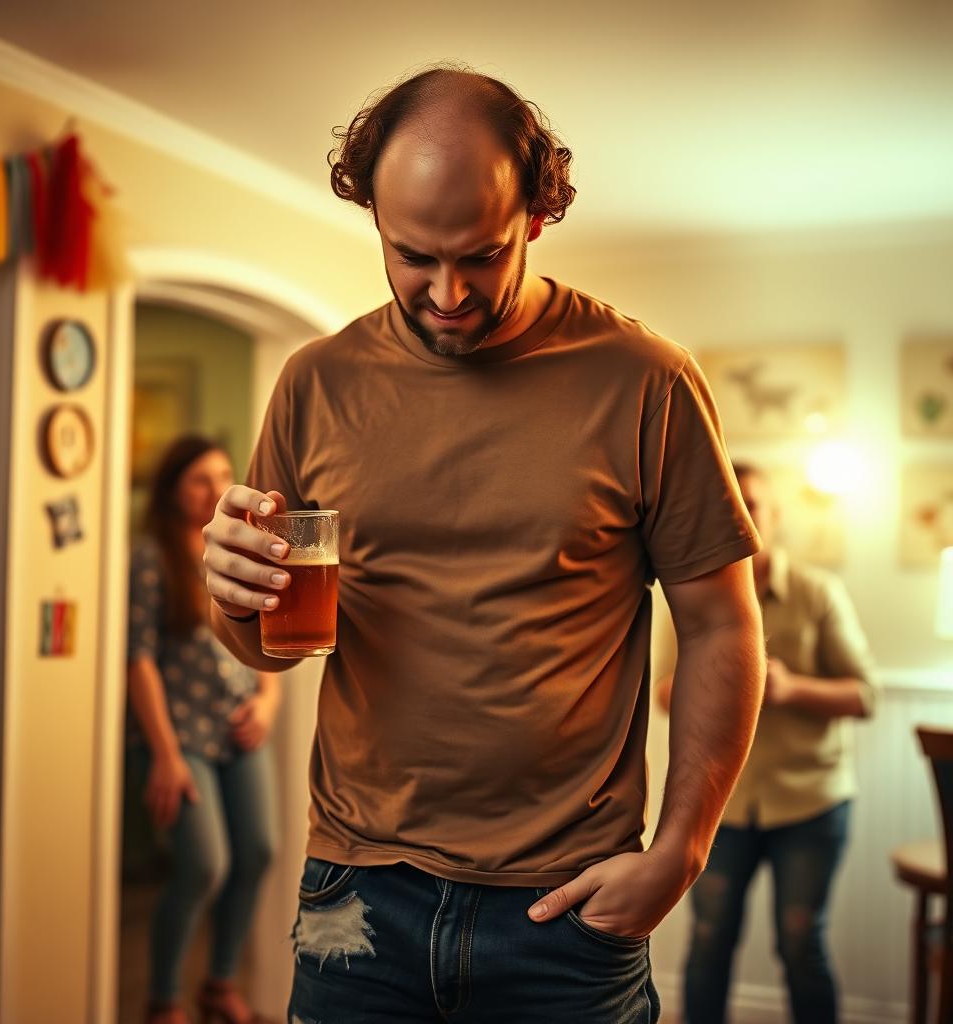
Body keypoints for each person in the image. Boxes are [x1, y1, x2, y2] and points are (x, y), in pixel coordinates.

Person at [203, 66, 767, 1023]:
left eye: (481, 255)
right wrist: (228, 592)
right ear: (372, 216)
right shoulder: (313, 383)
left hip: (563, 909)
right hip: (355, 896)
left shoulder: (646, 381)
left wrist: (683, 848)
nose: (449, 292)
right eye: (413, 256)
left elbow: (720, 628)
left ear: (538, 215)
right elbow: (273, 646)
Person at [654, 462, 877, 1024]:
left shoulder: (818, 592)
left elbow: (865, 695)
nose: (738, 515)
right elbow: (660, 691)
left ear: (774, 517)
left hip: (810, 801)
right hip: (722, 804)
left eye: (751, 504)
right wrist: (722, 680)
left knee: (802, 946)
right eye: (727, 502)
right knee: (706, 941)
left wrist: (789, 687)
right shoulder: (685, 597)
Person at [127, 435, 281, 1024]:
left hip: (239, 730)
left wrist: (267, 704)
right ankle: (163, 998)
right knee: (203, 865)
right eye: (198, 479)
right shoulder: (152, 555)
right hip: (179, 737)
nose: (216, 489)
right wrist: (164, 757)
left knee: (260, 851)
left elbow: (271, 636)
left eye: (223, 474)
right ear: (171, 491)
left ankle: (219, 986)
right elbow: (137, 659)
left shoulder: (244, 551)